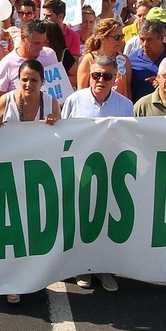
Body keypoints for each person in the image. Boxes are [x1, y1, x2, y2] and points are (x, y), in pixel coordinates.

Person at [60, 54, 130, 293]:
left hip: (112, 172)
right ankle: (82, 267)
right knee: (82, 219)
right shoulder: (74, 101)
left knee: (106, 220)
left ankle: (104, 267)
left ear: (115, 78)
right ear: (89, 75)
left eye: (106, 76)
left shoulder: (125, 105)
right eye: (96, 75)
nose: (100, 80)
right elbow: (65, 136)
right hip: (82, 171)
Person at [126, 16, 166, 102]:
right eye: (142, 40)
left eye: (149, 40)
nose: (145, 44)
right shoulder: (131, 59)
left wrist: (164, 83)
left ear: (162, 38)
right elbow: (125, 88)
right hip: (141, 111)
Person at [0, 19, 61, 93]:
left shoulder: (50, 54)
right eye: (36, 43)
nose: (41, 47)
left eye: (44, 42)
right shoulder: (7, 63)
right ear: (23, 38)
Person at [0, 57, 60, 124]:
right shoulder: (5, 101)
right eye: (24, 80)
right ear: (19, 80)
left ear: (42, 81)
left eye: (34, 80)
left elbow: (61, 130)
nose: (28, 84)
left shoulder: (52, 103)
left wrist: (55, 119)